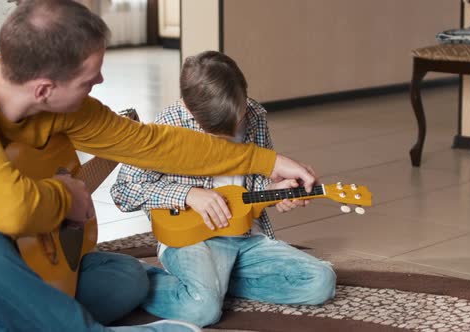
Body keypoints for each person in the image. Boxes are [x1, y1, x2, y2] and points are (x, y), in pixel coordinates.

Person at [0, 1, 317, 331]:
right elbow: (12, 210)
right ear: (43, 89)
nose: (101, 80)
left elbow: (153, 144)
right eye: (90, 78)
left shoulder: (62, 109)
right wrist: (65, 196)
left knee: (127, 279)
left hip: (23, 266)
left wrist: (266, 160)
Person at [110, 51, 336, 328]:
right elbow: (123, 191)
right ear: (189, 109)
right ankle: (143, 279)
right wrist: (187, 194)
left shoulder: (254, 115)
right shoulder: (165, 125)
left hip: (245, 236)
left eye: (239, 120)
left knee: (320, 282)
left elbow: (252, 184)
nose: (234, 132)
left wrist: (276, 191)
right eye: (217, 136)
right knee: (202, 312)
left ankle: (216, 283)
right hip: (191, 240)